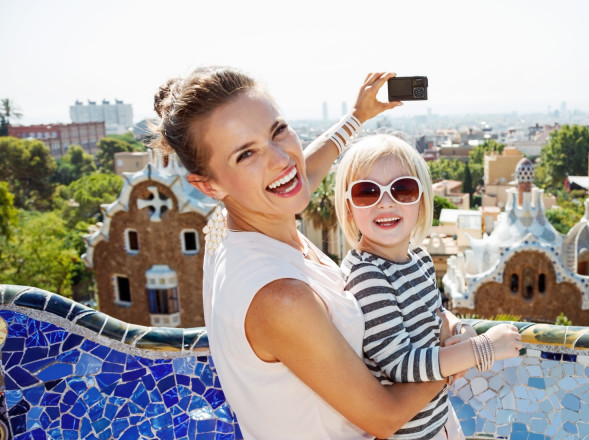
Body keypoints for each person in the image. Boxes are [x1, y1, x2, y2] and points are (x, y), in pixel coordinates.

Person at [150, 66, 524, 440]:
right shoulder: (280, 297)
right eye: (246, 154)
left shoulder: (230, 221)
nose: (281, 160)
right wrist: (463, 353)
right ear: (208, 185)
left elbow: (302, 171)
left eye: (278, 130)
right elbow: (384, 417)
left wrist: (357, 116)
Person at [334, 134, 522, 440]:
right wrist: (484, 348)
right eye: (367, 192)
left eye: (402, 189)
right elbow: (402, 365)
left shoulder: (419, 258)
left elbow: (433, 312)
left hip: (438, 420)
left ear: (421, 199)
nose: (385, 202)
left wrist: (459, 327)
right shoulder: (366, 275)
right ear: (349, 206)